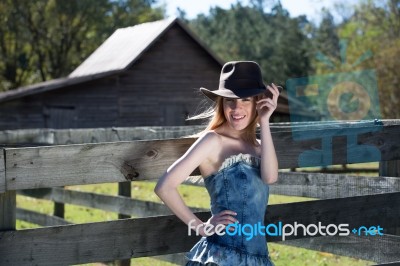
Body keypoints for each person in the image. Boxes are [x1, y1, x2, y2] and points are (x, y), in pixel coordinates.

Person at [154, 61, 280, 266]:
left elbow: (270, 177)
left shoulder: (259, 147)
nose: (236, 108)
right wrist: (201, 227)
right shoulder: (212, 141)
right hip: (222, 256)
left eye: (245, 100)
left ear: (257, 102)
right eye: (229, 100)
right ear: (221, 103)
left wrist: (264, 121)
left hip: (257, 257)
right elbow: (165, 186)